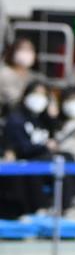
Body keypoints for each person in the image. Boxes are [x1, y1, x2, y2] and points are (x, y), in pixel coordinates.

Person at [1, 80, 57, 217]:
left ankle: (72, 202)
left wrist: (53, 118)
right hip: (24, 162)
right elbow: (20, 148)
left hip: (38, 160)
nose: (39, 98)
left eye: (43, 95)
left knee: (65, 160)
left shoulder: (43, 119)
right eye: (36, 94)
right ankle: (38, 207)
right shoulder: (16, 118)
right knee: (31, 168)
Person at [0, 37, 43, 112]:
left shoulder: (35, 76)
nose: (27, 53)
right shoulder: (4, 74)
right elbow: (13, 99)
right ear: (13, 52)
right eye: (23, 49)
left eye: (30, 49)